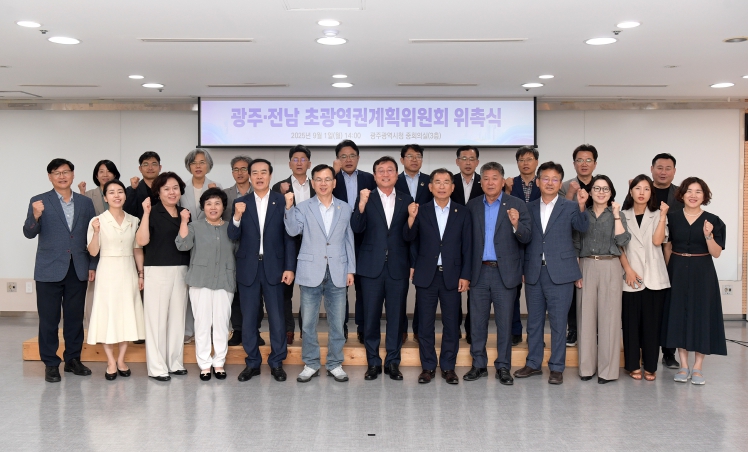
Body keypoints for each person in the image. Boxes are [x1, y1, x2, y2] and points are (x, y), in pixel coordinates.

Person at [515, 161, 589, 385]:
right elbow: (524, 240)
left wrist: (582, 206)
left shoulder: (570, 206)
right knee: (534, 321)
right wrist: (516, 226)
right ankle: (533, 363)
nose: (549, 183)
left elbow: (582, 228)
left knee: (558, 323)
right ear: (537, 182)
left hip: (562, 272)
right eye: (545, 178)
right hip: (534, 271)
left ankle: (557, 367)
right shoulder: (527, 207)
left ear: (560, 183)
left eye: (555, 179)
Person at [23, 158, 97, 383]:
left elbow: (93, 235)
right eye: (57, 173)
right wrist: (35, 216)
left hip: (78, 267)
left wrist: (92, 265)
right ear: (50, 177)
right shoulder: (38, 201)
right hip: (49, 269)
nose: (62, 176)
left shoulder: (85, 203)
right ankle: (51, 364)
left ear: (73, 174)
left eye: (66, 172)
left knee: (75, 318)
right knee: (49, 319)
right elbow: (28, 232)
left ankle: (73, 359)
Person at [284, 164, 355, 383]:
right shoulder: (303, 207)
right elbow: (293, 230)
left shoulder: (345, 207)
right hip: (310, 270)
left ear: (334, 183)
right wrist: (289, 208)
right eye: (318, 179)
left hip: (338, 270)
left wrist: (351, 269)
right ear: (313, 183)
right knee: (308, 323)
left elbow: (348, 239)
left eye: (327, 179)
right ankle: (311, 363)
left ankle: (335, 363)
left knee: (337, 322)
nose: (323, 183)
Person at [229, 158, 297, 383]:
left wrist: (289, 267)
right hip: (248, 267)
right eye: (255, 172)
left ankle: (277, 362)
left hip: (275, 267)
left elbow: (289, 237)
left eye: (263, 172)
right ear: (249, 176)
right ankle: (252, 362)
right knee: (249, 319)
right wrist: (236, 217)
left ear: (270, 175)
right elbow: (232, 235)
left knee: (277, 318)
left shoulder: (282, 200)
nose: (259, 176)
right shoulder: (241, 202)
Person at [464, 162, 530, 385]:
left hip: (505, 273)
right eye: (486, 178)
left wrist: (516, 224)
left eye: (495, 178)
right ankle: (478, 364)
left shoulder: (517, 204)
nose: (490, 182)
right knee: (477, 322)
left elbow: (527, 237)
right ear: (480, 182)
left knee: (504, 323)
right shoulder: (472, 206)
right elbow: (465, 242)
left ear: (503, 181)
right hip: (479, 272)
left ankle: (503, 366)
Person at [404, 168, 471, 384]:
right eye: (438, 182)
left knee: (452, 325)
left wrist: (466, 275)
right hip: (427, 275)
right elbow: (410, 238)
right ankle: (428, 367)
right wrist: (411, 218)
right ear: (431, 187)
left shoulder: (463, 212)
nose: (442, 186)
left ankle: (449, 367)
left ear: (452, 187)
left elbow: (468, 246)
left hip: (452, 275)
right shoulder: (421, 210)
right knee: (425, 324)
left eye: (446, 182)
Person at [351, 156, 414, 381]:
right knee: (371, 317)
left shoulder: (407, 199)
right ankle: (373, 362)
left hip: (398, 266)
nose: (385, 174)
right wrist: (361, 205)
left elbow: (410, 236)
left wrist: (412, 219)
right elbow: (356, 228)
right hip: (370, 267)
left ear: (397, 175)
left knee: (396, 317)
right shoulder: (366, 197)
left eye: (390, 170)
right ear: (374, 175)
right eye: (381, 171)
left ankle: (393, 362)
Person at [662, 177, 726, 385]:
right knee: (678, 315)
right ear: (681, 194)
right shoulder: (672, 218)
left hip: (702, 271)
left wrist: (708, 235)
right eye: (689, 191)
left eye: (698, 191)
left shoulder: (713, 220)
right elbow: (668, 247)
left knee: (701, 315)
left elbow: (716, 253)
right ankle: (683, 365)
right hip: (677, 269)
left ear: (704, 196)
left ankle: (698, 366)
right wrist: (668, 271)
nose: (693, 195)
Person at [85, 180, 145, 380]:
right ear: (105, 197)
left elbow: (137, 249)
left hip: (128, 270)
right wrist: (95, 232)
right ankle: (110, 361)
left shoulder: (134, 220)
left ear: (125, 196)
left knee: (127, 314)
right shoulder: (97, 220)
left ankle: (121, 359)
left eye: (120, 191)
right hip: (107, 271)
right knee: (107, 314)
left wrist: (141, 273)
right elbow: (93, 251)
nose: (116, 195)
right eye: (111, 192)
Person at [574, 175, 631, 384]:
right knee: (585, 318)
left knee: (610, 319)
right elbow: (576, 243)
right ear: (590, 192)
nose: (601, 192)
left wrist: (616, 216)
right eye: (597, 188)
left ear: (611, 192)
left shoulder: (617, 214)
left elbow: (623, 240)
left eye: (605, 189)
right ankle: (586, 368)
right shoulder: (582, 213)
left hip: (610, 265)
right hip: (586, 265)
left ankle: (608, 371)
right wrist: (576, 271)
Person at [176, 188, 237, 381]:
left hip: (225, 280)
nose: (213, 207)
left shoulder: (231, 228)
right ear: (203, 207)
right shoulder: (195, 226)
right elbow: (182, 245)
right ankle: (204, 364)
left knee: (221, 324)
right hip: (200, 280)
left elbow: (238, 251)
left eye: (217, 203)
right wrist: (184, 221)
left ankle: (219, 362)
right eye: (209, 204)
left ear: (223, 207)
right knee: (202, 324)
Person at [135, 172, 191, 381]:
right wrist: (146, 214)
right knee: (156, 319)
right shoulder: (152, 212)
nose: (172, 192)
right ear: (158, 192)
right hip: (157, 269)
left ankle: (175, 363)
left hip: (181, 269)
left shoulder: (184, 214)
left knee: (177, 318)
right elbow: (141, 241)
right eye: (166, 189)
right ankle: (157, 367)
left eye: (175, 188)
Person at [619, 175, 670, 381]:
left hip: (654, 277)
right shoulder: (621, 215)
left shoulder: (657, 214)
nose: (641, 192)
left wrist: (663, 215)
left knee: (652, 325)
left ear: (651, 193)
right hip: (630, 276)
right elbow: (618, 246)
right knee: (630, 324)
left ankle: (650, 366)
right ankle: (632, 365)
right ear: (630, 191)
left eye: (646, 189)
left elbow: (658, 241)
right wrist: (628, 269)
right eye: (637, 188)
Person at [332, 140, 376, 343]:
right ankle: (340, 326)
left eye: (352, 156)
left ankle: (362, 326)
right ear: (337, 159)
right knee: (340, 286)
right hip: (338, 238)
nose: (348, 160)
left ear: (358, 158)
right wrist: (333, 173)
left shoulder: (369, 179)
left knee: (362, 286)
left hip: (364, 238)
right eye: (343, 156)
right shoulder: (331, 179)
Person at [272, 145, 315, 345]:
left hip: (311, 243)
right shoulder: (278, 187)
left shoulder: (317, 185)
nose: (299, 163)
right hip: (287, 243)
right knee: (285, 290)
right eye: (295, 159)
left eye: (303, 159)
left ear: (309, 163)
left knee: (309, 290)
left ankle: (306, 330)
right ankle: (288, 329)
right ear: (289, 164)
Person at [180, 148, 222, 344]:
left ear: (209, 165)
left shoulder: (216, 186)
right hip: (188, 242)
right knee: (190, 287)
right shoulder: (181, 187)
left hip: (209, 245)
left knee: (210, 289)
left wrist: (214, 192)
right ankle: (189, 330)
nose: (198, 166)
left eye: (202, 162)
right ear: (189, 166)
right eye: (194, 162)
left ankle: (211, 331)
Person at [559, 144, 598, 348]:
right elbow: (559, 215)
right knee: (572, 292)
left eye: (588, 160)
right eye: (579, 160)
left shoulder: (601, 184)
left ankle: (595, 331)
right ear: (574, 164)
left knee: (595, 291)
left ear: (595, 164)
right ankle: (572, 329)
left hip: (595, 244)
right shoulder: (565, 186)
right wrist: (570, 194)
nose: (584, 164)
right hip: (571, 243)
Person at [77, 159, 122, 330]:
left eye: (109, 171)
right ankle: (92, 329)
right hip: (95, 248)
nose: (105, 174)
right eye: (101, 171)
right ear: (96, 175)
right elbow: (82, 225)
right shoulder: (88, 195)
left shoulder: (121, 193)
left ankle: (115, 329)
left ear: (115, 174)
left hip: (117, 250)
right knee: (93, 292)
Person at [395, 144, 433, 343]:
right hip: (399, 238)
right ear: (402, 160)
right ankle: (401, 329)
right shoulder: (394, 180)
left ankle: (419, 329)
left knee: (423, 288)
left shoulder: (430, 181)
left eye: (418, 156)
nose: (414, 160)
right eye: (410, 156)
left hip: (426, 241)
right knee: (400, 289)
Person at [503, 146, 541, 346]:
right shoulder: (510, 184)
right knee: (512, 291)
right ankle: (514, 330)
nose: (525, 163)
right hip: (514, 243)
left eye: (529, 159)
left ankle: (535, 335)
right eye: (521, 160)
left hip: (538, 243)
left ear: (536, 162)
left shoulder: (543, 183)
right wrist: (507, 190)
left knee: (537, 294)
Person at [650, 153, 684, 369]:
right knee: (649, 307)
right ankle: (646, 351)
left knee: (671, 307)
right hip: (646, 256)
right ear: (652, 169)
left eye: (668, 168)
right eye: (659, 167)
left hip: (672, 256)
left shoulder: (681, 195)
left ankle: (669, 353)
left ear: (674, 171)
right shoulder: (643, 190)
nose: (663, 172)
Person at [450, 145, 484, 343]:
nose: (468, 162)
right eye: (464, 158)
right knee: (453, 290)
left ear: (477, 162)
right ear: (457, 162)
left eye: (472, 159)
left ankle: (472, 331)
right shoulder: (449, 181)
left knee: (475, 290)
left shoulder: (484, 182)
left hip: (477, 243)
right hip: (452, 244)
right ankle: (454, 328)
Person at [223, 156, 256, 347]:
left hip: (255, 250)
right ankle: (238, 329)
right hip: (232, 248)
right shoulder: (225, 195)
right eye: (236, 169)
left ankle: (254, 330)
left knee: (255, 292)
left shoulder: (260, 192)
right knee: (235, 291)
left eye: (244, 169)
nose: (240, 172)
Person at [124, 151, 162, 219]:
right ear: (140, 169)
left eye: (154, 164)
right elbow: (127, 213)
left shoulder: (167, 189)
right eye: (146, 164)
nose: (150, 168)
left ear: (160, 168)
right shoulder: (131, 190)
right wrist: (133, 189)